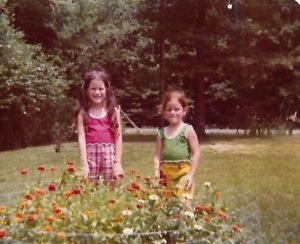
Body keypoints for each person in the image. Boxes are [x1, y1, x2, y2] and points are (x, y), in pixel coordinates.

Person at [77, 67, 124, 187]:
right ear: (86, 90)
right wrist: (84, 165)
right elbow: (81, 139)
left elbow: (118, 137)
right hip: (91, 158)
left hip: (109, 157)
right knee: (89, 191)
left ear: (106, 90)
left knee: (111, 193)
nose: (97, 92)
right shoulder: (83, 113)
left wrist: (117, 163)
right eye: (93, 89)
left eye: (100, 89)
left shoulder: (113, 111)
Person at [154, 89, 200, 209]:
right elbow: (157, 156)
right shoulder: (161, 133)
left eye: (176, 109)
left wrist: (191, 175)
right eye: (169, 110)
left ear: (184, 111)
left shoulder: (188, 130)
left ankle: (188, 226)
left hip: (183, 173)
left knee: (184, 204)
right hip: (165, 174)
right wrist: (156, 173)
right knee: (166, 205)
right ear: (164, 112)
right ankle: (170, 227)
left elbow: (196, 154)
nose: (173, 112)